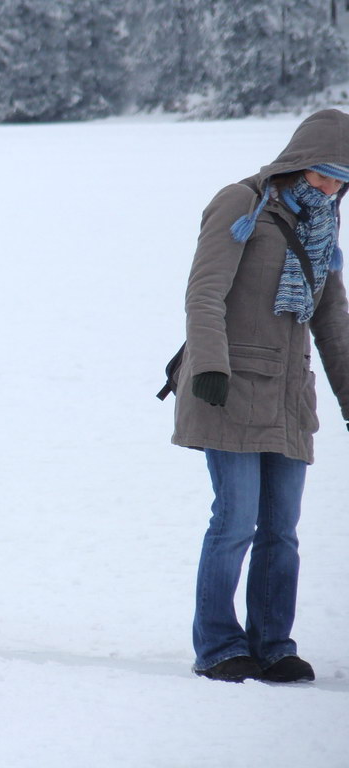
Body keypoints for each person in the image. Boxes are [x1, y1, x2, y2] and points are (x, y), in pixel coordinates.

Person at [173, 109, 349, 683]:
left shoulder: (322, 225)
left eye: (339, 178)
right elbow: (205, 292)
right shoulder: (241, 204)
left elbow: (333, 317)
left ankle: (273, 643)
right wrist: (211, 367)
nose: (327, 186)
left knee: (282, 530)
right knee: (235, 521)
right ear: (297, 160)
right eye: (321, 173)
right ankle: (219, 646)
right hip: (227, 386)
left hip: (290, 398)